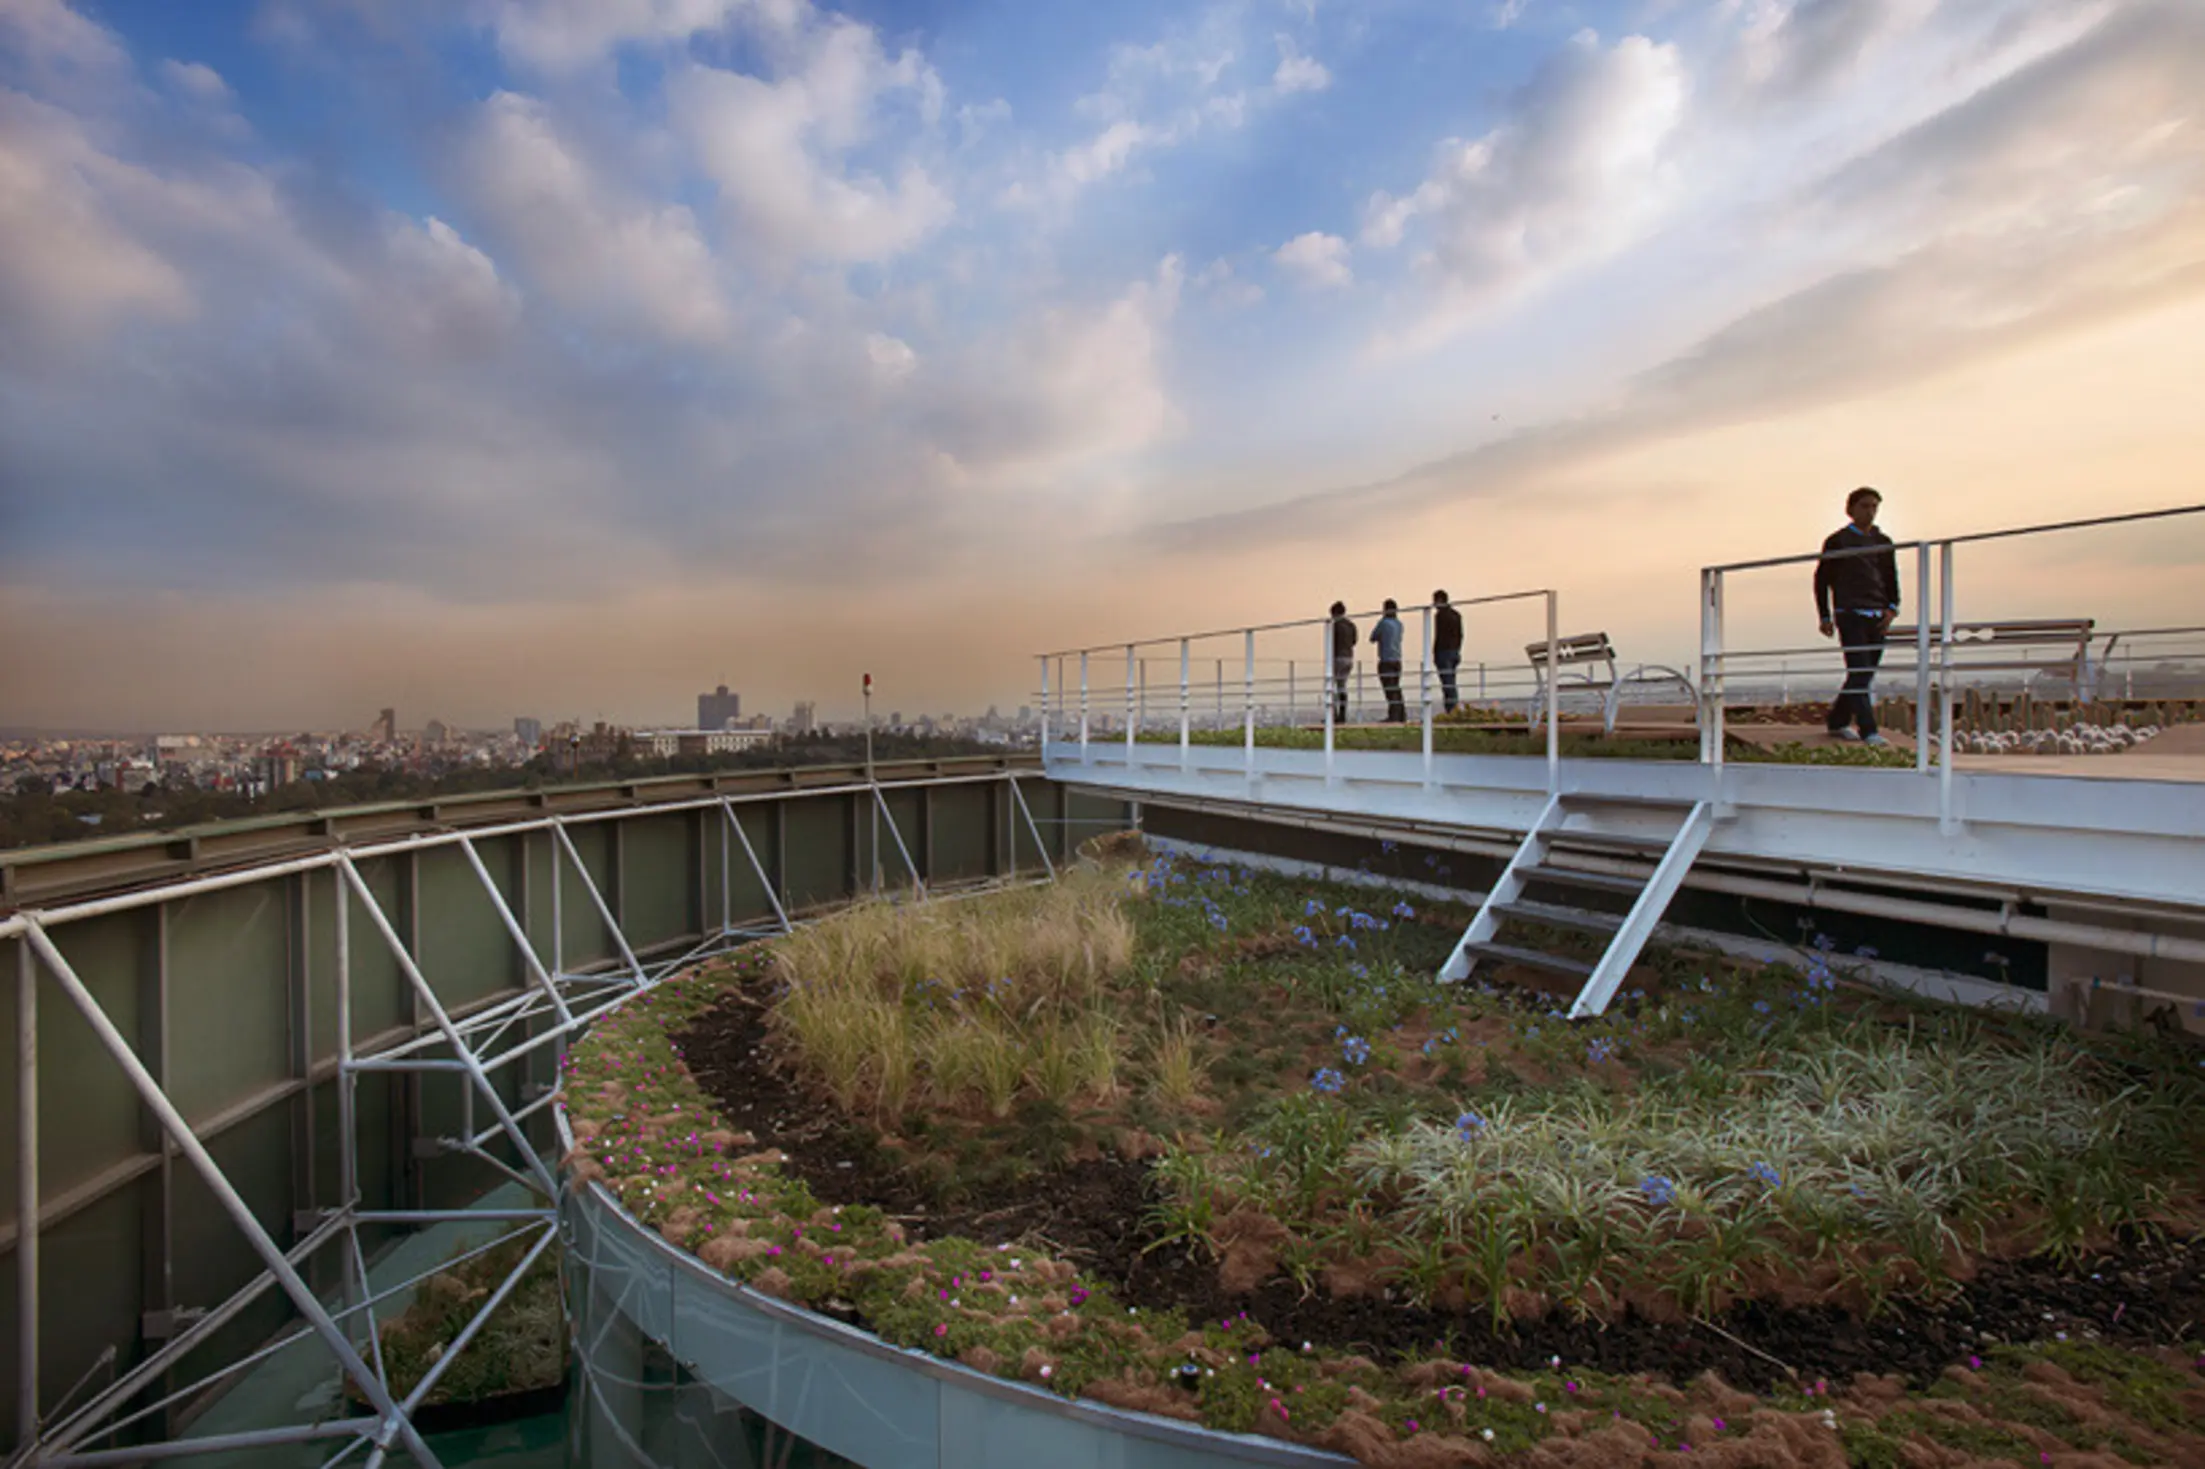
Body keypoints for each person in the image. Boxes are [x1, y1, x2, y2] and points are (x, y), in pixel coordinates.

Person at [1814, 486, 1900, 746]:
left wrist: (1893, 607)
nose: (1870, 512)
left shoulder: (1882, 541)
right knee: (1859, 668)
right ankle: (1868, 729)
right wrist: (1825, 616)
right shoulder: (1838, 541)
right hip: (1850, 612)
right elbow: (1822, 580)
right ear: (1850, 509)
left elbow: (1889, 576)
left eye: (1874, 506)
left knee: (1864, 672)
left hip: (1877, 612)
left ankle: (1838, 720)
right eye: (1864, 506)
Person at [1371, 599, 1407, 723]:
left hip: (1386, 659)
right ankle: (1401, 714)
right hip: (1397, 659)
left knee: (1389, 690)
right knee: (1396, 688)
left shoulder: (1383, 623)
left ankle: (1394, 716)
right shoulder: (1399, 624)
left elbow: (1373, 637)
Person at [1432, 589, 1464, 713]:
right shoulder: (1456, 615)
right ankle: (1453, 709)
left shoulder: (1440, 616)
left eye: (1435, 601)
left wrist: (1435, 653)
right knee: (1451, 682)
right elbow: (1460, 635)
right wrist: (1457, 649)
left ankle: (1451, 710)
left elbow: (1439, 636)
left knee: (1447, 684)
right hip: (1454, 652)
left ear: (1440, 600)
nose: (1434, 604)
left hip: (1443, 652)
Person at [1327, 602, 1358, 723]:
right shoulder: (1351, 625)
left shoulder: (1336, 625)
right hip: (1349, 657)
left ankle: (1334, 715)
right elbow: (1354, 641)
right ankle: (1342, 715)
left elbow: (1331, 641)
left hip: (1337, 657)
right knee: (1342, 686)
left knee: (1331, 686)